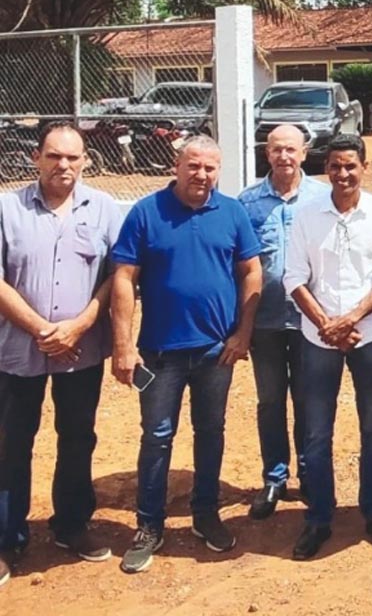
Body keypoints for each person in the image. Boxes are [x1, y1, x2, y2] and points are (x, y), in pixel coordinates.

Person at [111, 135, 262, 574]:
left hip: (217, 351)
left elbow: (251, 270)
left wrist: (243, 334)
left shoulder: (231, 211)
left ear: (219, 171)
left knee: (210, 432)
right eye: (193, 166)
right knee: (157, 437)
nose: (201, 175)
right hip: (160, 354)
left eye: (210, 168)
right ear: (176, 166)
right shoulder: (146, 212)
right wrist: (122, 346)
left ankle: (204, 515)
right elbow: (123, 277)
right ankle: (149, 526)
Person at [0, 122, 123, 586]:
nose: (63, 166)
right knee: (13, 442)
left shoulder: (105, 209)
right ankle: (7, 539)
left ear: (86, 160)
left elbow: (118, 275)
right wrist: (40, 328)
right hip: (16, 350)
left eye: (73, 157)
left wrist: (81, 324)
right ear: (36, 158)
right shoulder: (6, 208)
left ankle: (71, 526)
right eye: (54, 156)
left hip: (81, 350)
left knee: (77, 438)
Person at [283, 134, 372, 559]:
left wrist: (351, 320)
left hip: (368, 335)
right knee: (315, 431)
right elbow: (293, 276)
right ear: (325, 168)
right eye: (335, 165)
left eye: (350, 165)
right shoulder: (307, 214)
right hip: (317, 339)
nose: (343, 173)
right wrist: (327, 325)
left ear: (364, 167)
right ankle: (319, 517)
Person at [238, 125, 327, 519]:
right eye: (276, 150)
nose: (284, 157)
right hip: (267, 320)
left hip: (311, 320)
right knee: (270, 401)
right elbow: (240, 264)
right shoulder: (247, 202)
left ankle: (310, 474)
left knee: (310, 400)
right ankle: (275, 477)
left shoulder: (323, 198)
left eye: (291, 149)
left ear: (304, 153)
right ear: (267, 154)